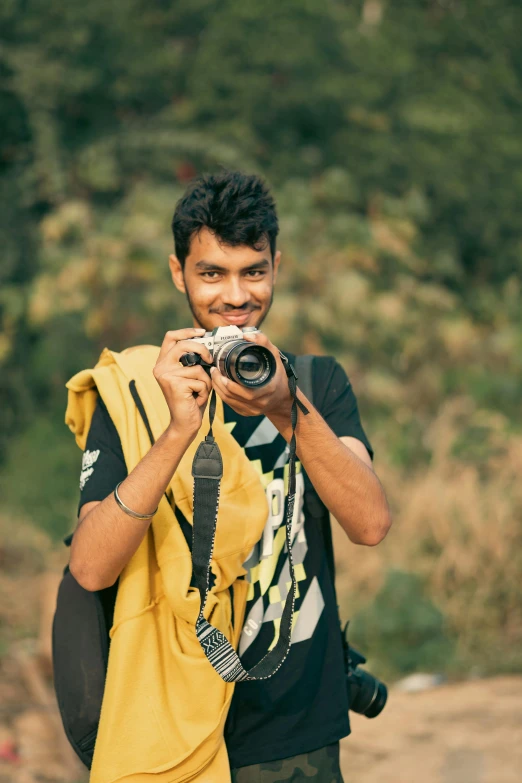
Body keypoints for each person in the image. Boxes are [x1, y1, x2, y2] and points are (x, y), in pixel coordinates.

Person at [69, 169, 392, 782]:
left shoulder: (317, 383)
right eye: (211, 273)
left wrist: (282, 405)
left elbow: (371, 524)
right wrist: (176, 432)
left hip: (296, 727)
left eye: (254, 271)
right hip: (169, 721)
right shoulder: (138, 391)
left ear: (277, 266)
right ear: (178, 273)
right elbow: (91, 567)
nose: (236, 296)